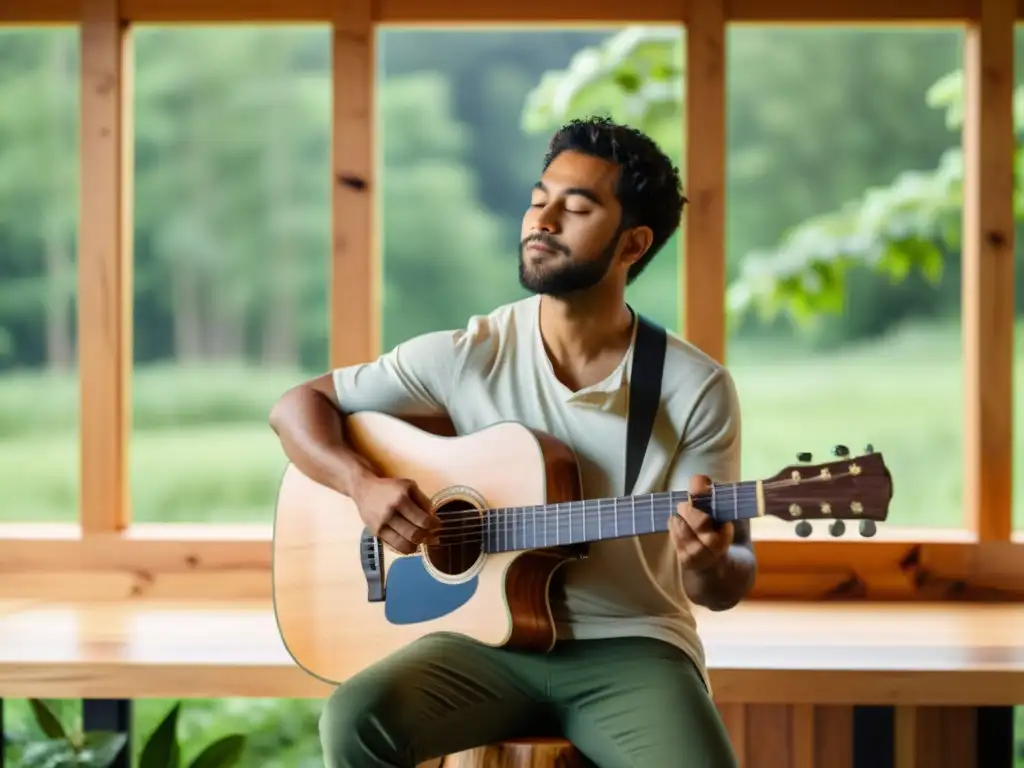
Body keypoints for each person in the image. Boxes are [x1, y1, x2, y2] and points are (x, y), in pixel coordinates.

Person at [269, 115, 756, 768]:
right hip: (480, 644)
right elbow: (298, 407)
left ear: (632, 244)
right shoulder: (472, 354)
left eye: (576, 208)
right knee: (356, 719)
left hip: (631, 647)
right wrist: (363, 485)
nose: (542, 221)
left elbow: (724, 584)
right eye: (538, 200)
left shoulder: (691, 386)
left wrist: (705, 560)